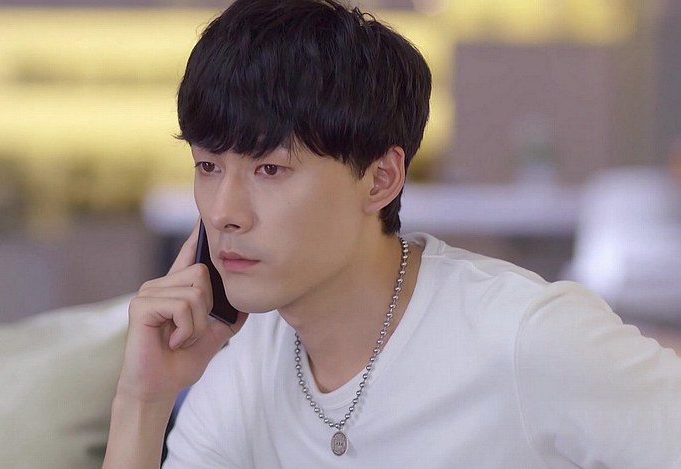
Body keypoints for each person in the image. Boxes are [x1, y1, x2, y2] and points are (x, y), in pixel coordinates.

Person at [103, 0, 681, 467]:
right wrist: (143, 400)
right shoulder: (243, 370)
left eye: (270, 170)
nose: (224, 212)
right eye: (208, 166)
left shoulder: (526, 337)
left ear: (380, 179)